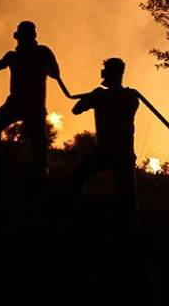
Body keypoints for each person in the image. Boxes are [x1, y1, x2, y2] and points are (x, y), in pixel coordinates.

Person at [0, 20, 71, 180]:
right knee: (37, 141)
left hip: (27, 105)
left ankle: (37, 173)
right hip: (24, 104)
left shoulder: (39, 53)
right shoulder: (28, 54)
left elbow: (55, 73)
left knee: (37, 141)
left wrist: (12, 60)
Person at [69, 57, 141, 230]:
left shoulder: (100, 96)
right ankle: (131, 230)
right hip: (124, 154)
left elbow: (76, 110)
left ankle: (73, 215)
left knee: (77, 176)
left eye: (105, 71)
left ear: (107, 73)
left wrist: (94, 95)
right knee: (128, 198)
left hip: (106, 153)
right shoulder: (131, 97)